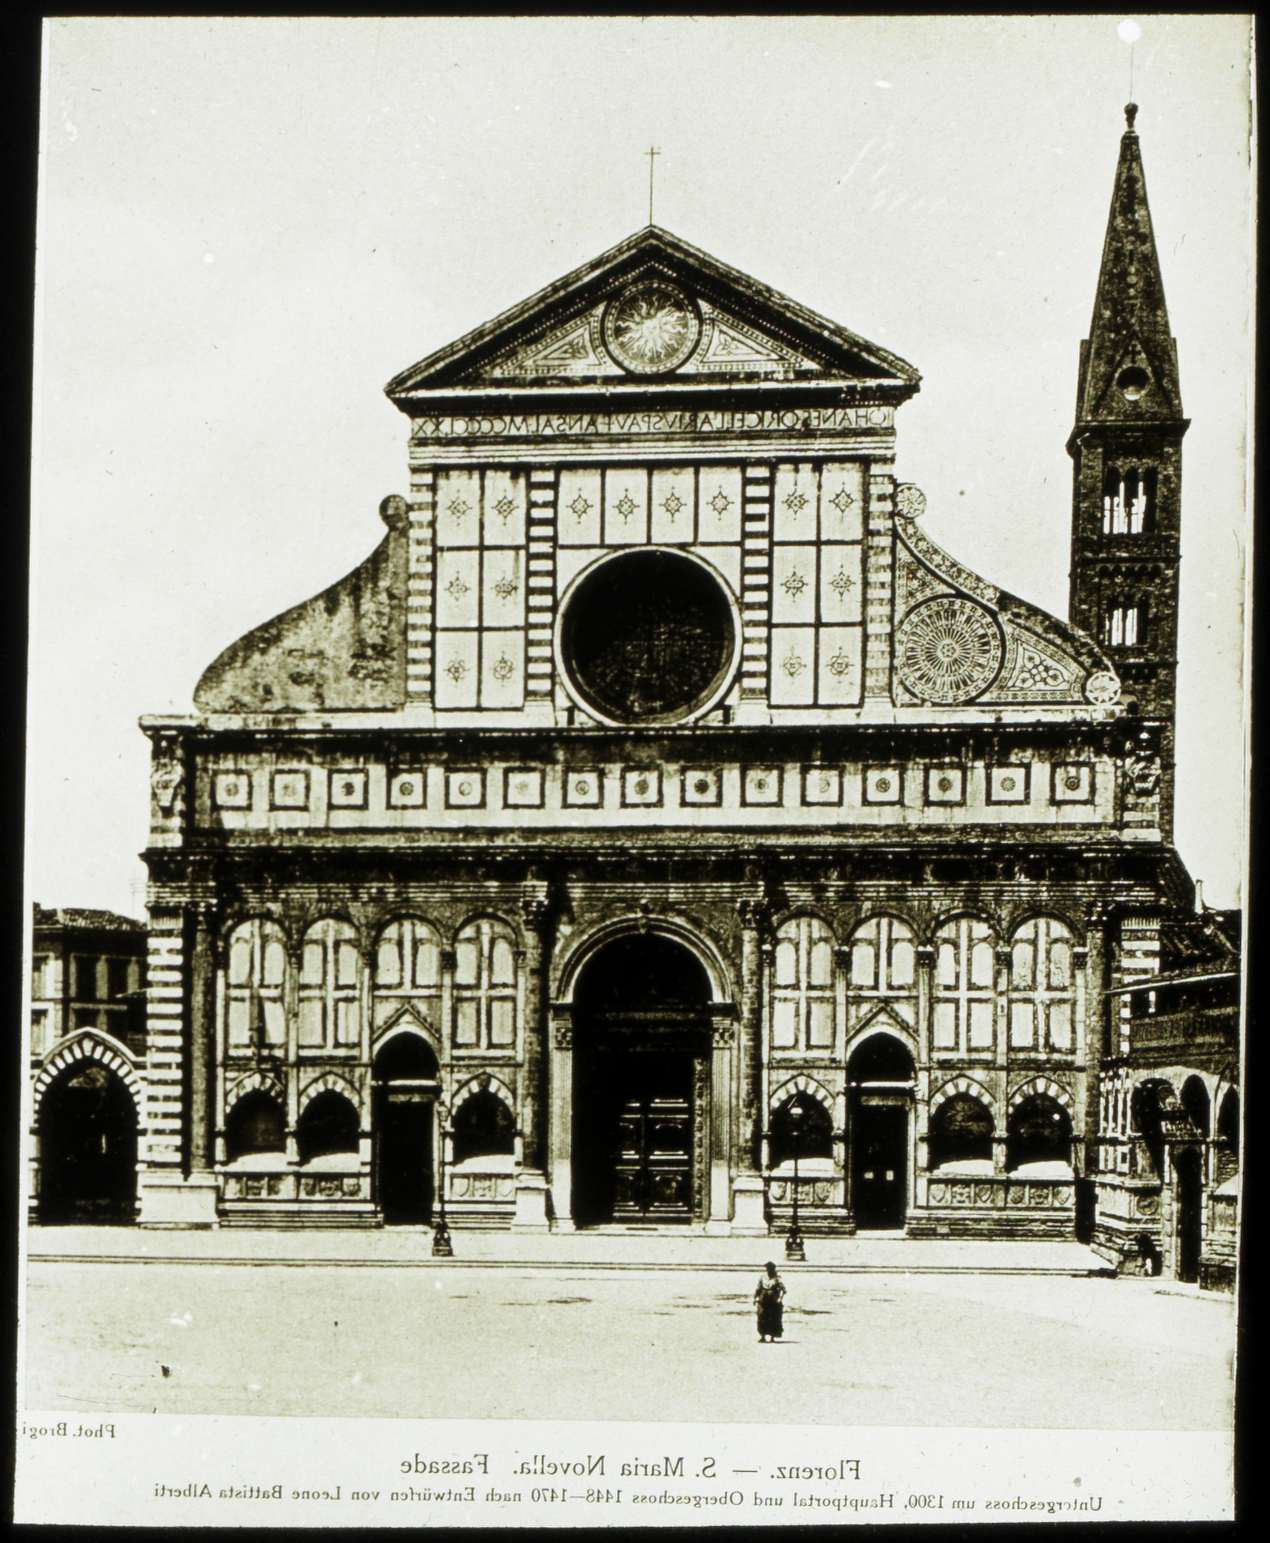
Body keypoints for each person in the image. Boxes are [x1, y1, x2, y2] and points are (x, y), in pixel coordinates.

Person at [754, 1260, 786, 1342]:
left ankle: (772, 1336)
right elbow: (758, 1288)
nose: (768, 1270)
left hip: (773, 1300)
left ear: (773, 1269)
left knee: (773, 1317)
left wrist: (780, 1298)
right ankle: (762, 1336)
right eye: (767, 1268)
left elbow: (783, 1289)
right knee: (762, 1317)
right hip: (763, 1299)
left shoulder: (777, 1278)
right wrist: (755, 1298)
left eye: (770, 1268)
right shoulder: (762, 1277)